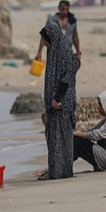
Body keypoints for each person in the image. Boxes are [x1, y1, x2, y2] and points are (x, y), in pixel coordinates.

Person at [39, 22, 78, 180]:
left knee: (58, 139)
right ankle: (60, 170)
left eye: (45, 40)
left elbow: (67, 75)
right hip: (58, 103)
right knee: (59, 138)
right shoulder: (55, 50)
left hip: (61, 104)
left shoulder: (62, 51)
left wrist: (57, 98)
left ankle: (58, 172)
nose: (45, 43)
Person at [35, 0, 82, 68]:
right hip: (53, 54)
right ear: (59, 8)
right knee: (53, 76)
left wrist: (78, 52)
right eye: (63, 9)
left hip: (67, 53)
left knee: (67, 75)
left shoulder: (72, 21)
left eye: (67, 9)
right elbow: (44, 37)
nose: (65, 11)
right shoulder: (51, 20)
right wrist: (39, 52)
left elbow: (75, 36)